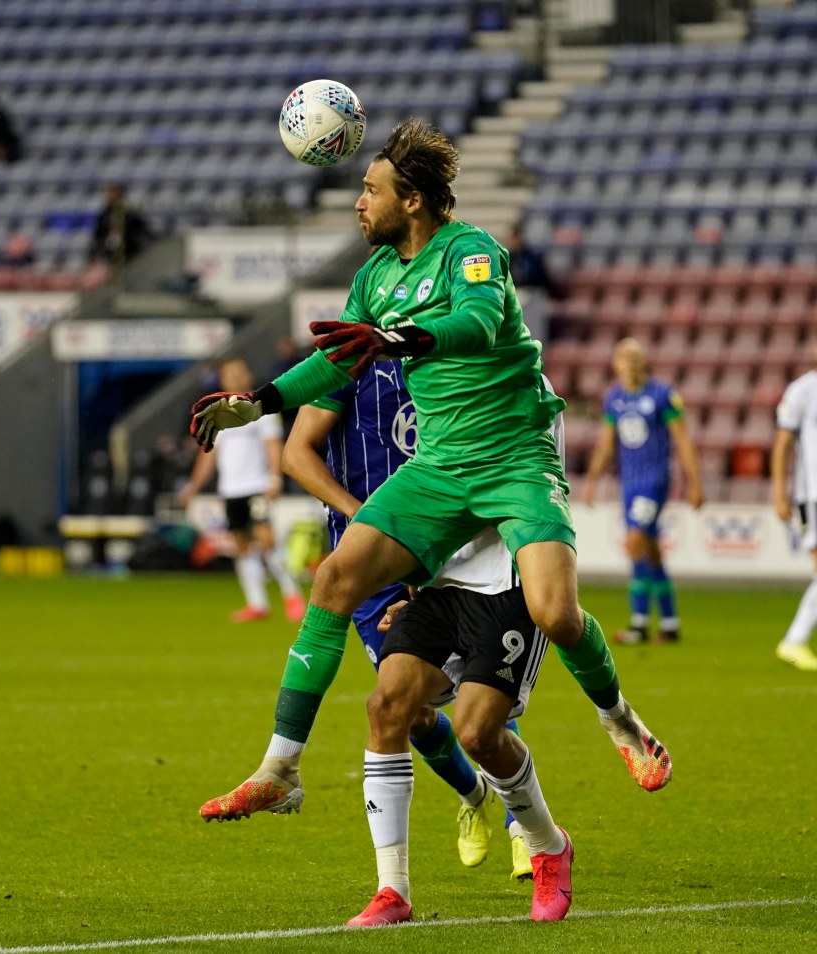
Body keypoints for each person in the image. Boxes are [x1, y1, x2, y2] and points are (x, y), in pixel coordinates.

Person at [190, 119, 672, 825]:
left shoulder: (471, 251)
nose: (360, 202)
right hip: (440, 466)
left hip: (513, 457)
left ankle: (620, 720)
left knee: (554, 613)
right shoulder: (374, 277)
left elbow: (477, 323)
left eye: (371, 189)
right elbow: (335, 362)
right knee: (334, 577)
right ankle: (280, 768)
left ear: (411, 200)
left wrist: (395, 339)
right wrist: (259, 402)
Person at [277, 359, 544, 877]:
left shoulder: (452, 358)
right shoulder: (348, 362)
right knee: (405, 710)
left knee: (485, 692)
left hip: (448, 544)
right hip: (374, 559)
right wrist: (362, 516)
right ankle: (473, 794)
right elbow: (296, 452)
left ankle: (523, 830)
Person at [349, 549, 571, 926]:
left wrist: (615, 714)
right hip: (435, 593)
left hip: (500, 591)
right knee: (387, 707)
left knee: (478, 734)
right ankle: (393, 889)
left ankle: (546, 843)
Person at [581, 337, 704, 644]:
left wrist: (694, 483)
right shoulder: (614, 398)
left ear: (642, 363)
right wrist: (592, 480)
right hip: (629, 483)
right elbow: (606, 442)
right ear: (615, 365)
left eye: (633, 359)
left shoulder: (662, 395)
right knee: (651, 550)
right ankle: (670, 623)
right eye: (623, 359)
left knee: (634, 541)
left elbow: (683, 439)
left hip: (655, 480)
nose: (629, 365)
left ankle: (639, 624)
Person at [178, 357, 306, 624]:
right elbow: (208, 455)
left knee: (266, 540)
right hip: (230, 490)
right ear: (222, 379)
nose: (235, 377)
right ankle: (257, 603)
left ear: (248, 375)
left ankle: (292, 595)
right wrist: (193, 487)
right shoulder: (216, 413)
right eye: (230, 373)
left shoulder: (260, 408)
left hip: (257, 486)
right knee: (240, 545)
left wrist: (275, 479)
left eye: (239, 372)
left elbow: (274, 446)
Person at [771, 350, 817, 671]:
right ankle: (794, 640)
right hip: (812, 494)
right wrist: (779, 491)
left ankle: (795, 640)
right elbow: (783, 443)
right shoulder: (802, 390)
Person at [89, 184, 154, 269]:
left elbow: (140, 230)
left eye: (114, 194)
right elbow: (98, 234)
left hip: (129, 251)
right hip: (110, 254)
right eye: (109, 195)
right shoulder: (105, 214)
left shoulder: (129, 213)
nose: (111, 197)